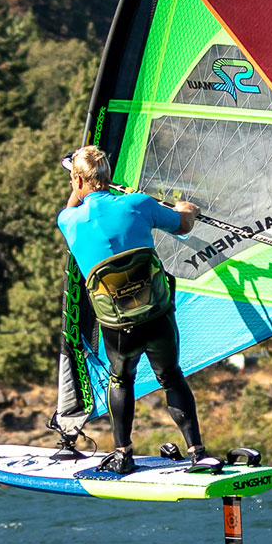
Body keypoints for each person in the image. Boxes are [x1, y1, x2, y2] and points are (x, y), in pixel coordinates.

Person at [56, 145, 214, 474]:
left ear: (78, 180)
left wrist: (76, 187)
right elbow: (183, 224)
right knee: (171, 377)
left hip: (117, 326)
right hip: (156, 317)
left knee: (120, 379)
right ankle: (197, 452)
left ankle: (123, 453)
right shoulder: (139, 204)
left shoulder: (68, 221)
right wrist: (187, 209)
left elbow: (70, 210)